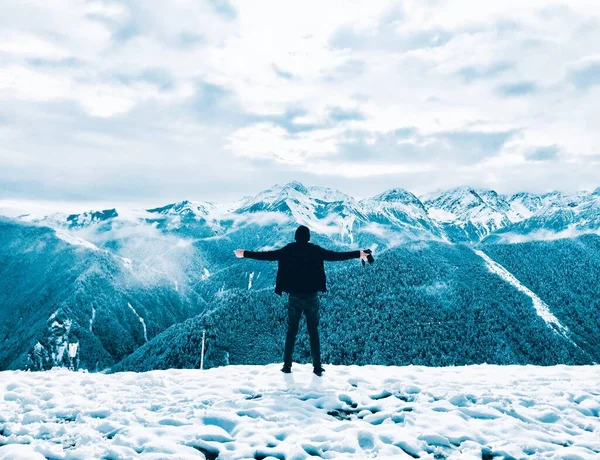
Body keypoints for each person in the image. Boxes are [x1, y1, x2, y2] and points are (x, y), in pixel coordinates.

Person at [234, 225, 369, 377]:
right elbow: (335, 256)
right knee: (313, 332)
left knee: (291, 332)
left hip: (294, 298)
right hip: (312, 298)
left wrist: (244, 253)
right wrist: (359, 254)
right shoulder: (316, 250)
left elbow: (267, 256)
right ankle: (317, 368)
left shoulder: (287, 250)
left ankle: (287, 367)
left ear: (296, 237)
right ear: (309, 237)